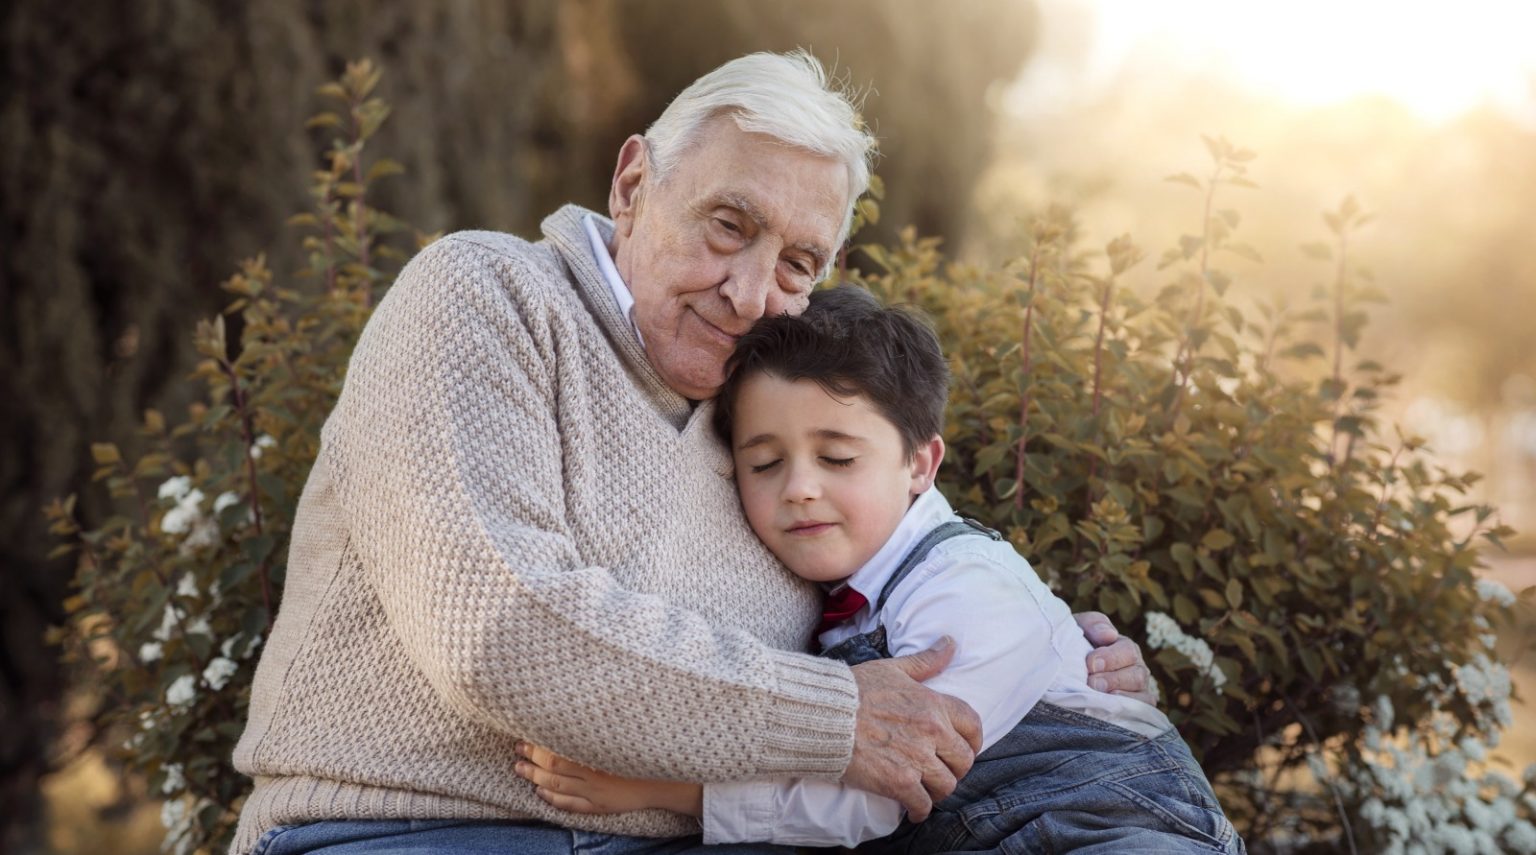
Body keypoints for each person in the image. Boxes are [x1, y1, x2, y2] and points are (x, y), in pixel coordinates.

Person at [229, 50, 1153, 855]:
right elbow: (498, 631)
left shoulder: (762, 422)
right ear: (632, 184)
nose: (753, 292)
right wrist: (835, 719)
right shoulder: (486, 296)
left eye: (798, 263)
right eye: (729, 225)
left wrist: (1064, 669)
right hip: (404, 828)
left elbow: (905, 583)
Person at [514, 287, 1243, 853]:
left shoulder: (965, 587)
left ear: (920, 464)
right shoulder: (844, 591)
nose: (799, 487)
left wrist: (664, 789)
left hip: (1111, 830)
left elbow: (884, 789)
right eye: (763, 463)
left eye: (837, 458)